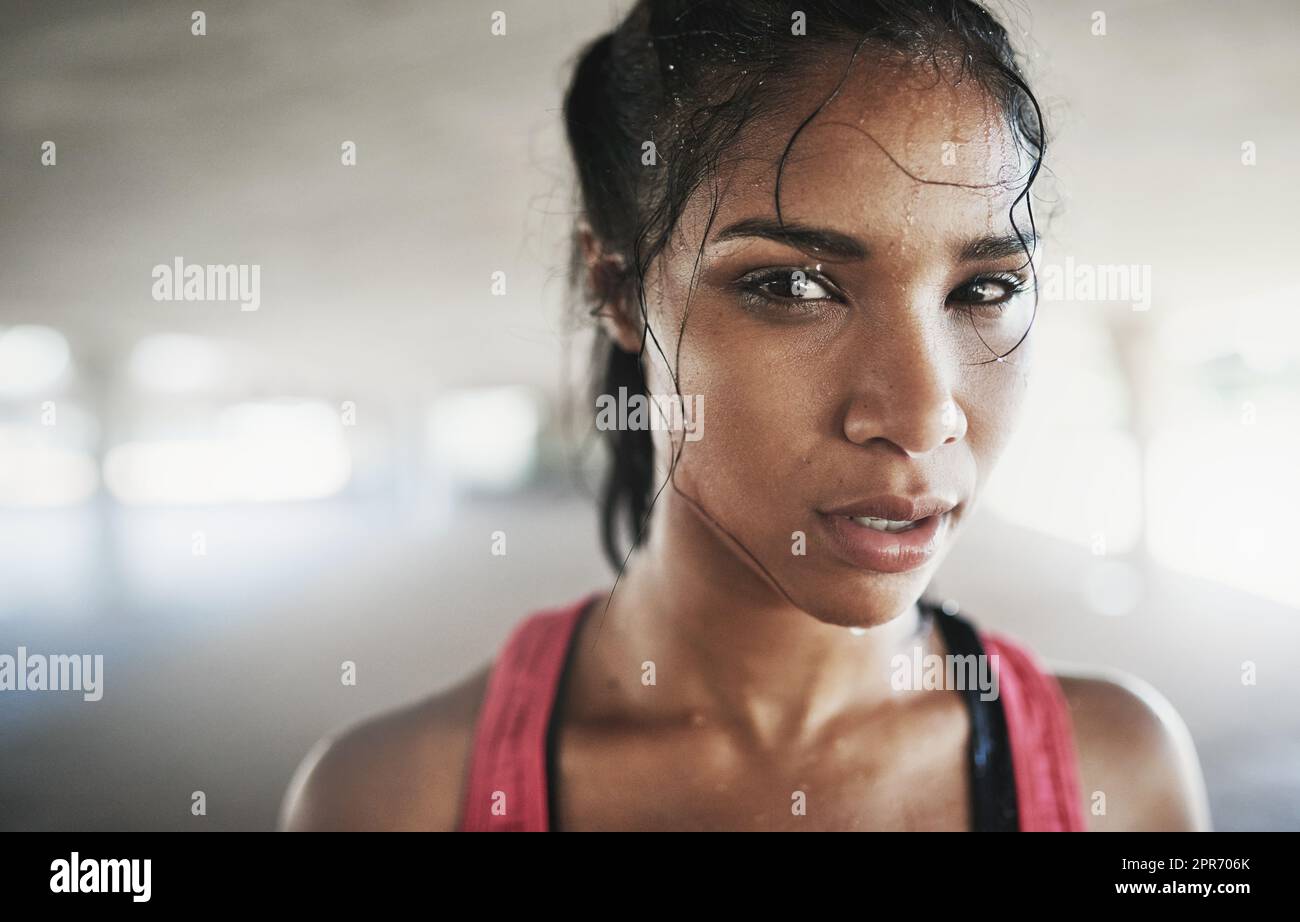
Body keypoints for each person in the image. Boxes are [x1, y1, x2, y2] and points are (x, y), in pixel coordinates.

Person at [281, 0, 1212, 832]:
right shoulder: (392, 800)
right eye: (793, 283)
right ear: (618, 288)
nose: (923, 417)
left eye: (985, 287)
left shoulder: (1121, 777)